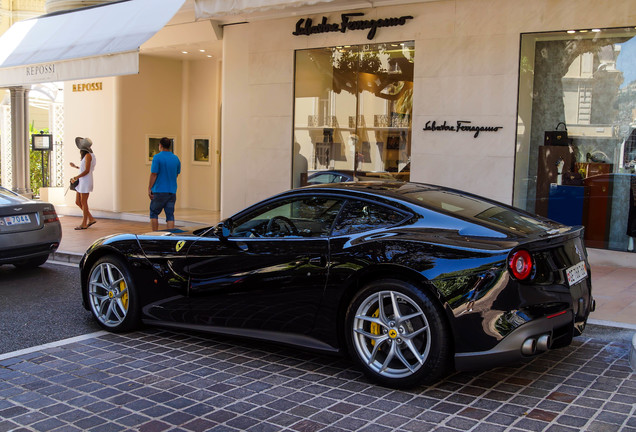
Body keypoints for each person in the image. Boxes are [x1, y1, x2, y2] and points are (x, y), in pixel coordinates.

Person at [148, 137, 181, 231]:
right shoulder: (176, 158)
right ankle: (170, 236)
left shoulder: (157, 157)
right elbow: (177, 174)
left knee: (154, 213)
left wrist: (149, 188)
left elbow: (154, 174)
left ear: (160, 145)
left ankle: (154, 235)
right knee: (170, 215)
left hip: (159, 191)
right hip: (172, 191)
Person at [70, 137, 97, 230]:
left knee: (84, 202)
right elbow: (84, 169)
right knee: (78, 202)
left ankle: (84, 223)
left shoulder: (88, 156)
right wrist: (76, 167)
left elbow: (87, 171)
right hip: (82, 180)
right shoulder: (87, 156)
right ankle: (91, 218)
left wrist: (76, 177)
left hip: (85, 181)